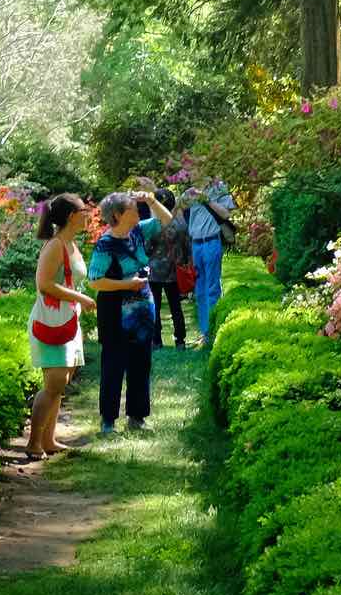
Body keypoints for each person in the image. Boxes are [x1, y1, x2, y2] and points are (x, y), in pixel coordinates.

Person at [89, 188, 174, 433]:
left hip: (142, 310)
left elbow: (166, 220)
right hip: (115, 311)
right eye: (132, 208)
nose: (138, 211)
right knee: (114, 364)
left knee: (141, 362)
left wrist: (152, 199)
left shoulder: (137, 231)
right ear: (117, 214)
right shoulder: (106, 245)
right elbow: (95, 281)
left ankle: (137, 417)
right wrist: (128, 284)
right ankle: (108, 421)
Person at [26, 193, 94, 458]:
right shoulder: (55, 245)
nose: (88, 216)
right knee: (53, 383)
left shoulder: (71, 244)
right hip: (51, 322)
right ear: (71, 216)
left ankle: (49, 440)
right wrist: (80, 298)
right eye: (83, 211)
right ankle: (33, 443)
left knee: (60, 383)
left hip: (66, 320)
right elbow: (44, 284)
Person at [185, 180, 237, 348]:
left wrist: (206, 199)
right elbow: (181, 215)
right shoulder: (190, 190)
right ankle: (204, 332)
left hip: (212, 242)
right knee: (199, 290)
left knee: (212, 288)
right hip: (196, 244)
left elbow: (226, 214)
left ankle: (214, 332)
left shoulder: (220, 187)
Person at [146, 186, 192, 350]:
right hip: (175, 271)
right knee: (176, 307)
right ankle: (180, 341)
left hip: (154, 271)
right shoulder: (180, 224)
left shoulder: (153, 226)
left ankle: (156, 341)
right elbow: (187, 246)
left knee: (155, 307)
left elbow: (146, 248)